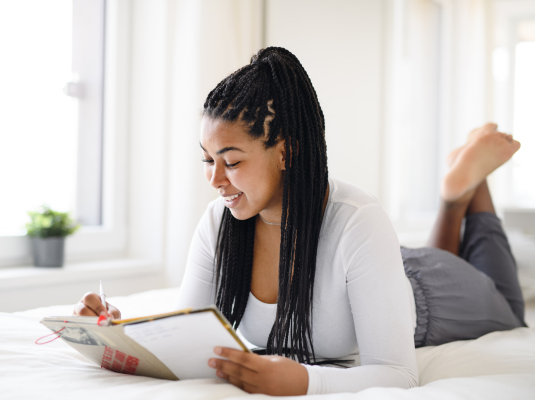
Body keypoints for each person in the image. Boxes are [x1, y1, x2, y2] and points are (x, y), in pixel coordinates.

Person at [73, 47, 527, 395]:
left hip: (434, 296)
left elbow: (400, 374)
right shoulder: (219, 222)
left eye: (230, 162)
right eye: (207, 160)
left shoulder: (359, 220)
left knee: (509, 304)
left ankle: (465, 191)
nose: (214, 180)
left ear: (286, 151)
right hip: (377, 271)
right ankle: (456, 193)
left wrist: (304, 382)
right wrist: (119, 335)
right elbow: (189, 332)